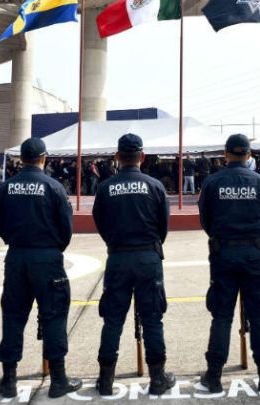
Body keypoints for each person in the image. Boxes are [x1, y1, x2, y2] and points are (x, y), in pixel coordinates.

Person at [0, 137, 81, 399]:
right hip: (47, 258)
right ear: (44, 158)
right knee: (53, 316)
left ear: (21, 159)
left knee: (13, 316)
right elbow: (66, 229)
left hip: (17, 257)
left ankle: (9, 379)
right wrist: (52, 249)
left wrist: (16, 242)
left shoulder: (6, 188)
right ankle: (58, 379)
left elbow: (1, 225)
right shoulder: (53, 187)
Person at [91, 134, 175, 396]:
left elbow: (100, 223)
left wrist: (117, 243)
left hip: (118, 257)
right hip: (148, 258)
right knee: (152, 320)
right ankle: (158, 378)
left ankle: (105, 380)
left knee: (112, 320)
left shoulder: (105, 188)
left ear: (117, 157)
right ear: (143, 156)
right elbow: (163, 227)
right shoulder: (155, 186)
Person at [197, 134, 260, 393]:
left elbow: (205, 222)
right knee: (258, 315)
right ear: (248, 154)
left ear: (225, 154)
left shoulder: (212, 183)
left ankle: (213, 376)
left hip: (223, 255)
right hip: (255, 255)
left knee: (222, 315)